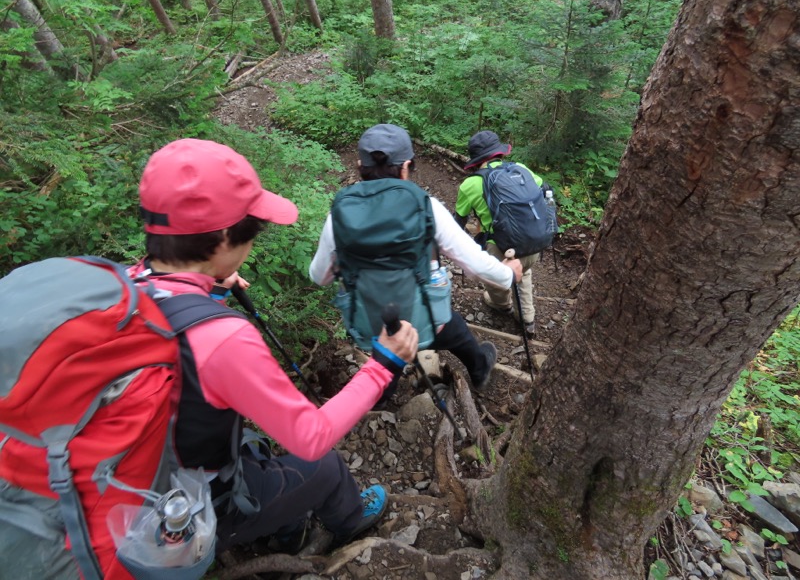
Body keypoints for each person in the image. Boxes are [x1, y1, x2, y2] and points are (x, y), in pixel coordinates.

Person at [132, 138, 419, 554]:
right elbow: (311, 436)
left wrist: (206, 283)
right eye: (252, 230)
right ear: (225, 238)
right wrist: (383, 364)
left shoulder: (120, 289)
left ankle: (287, 524)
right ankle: (350, 520)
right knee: (324, 466)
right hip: (185, 514)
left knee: (254, 447)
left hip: (131, 487)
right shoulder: (222, 339)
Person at [309, 124, 522, 392]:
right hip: (427, 320)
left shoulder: (336, 218)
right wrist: (508, 274)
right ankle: (479, 371)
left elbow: (319, 277)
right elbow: (475, 262)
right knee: (455, 330)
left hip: (372, 326)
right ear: (406, 166)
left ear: (359, 165)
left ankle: (378, 397)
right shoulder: (426, 207)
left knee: (386, 359)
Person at [454, 130, 546, 337]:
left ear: (476, 159)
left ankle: (501, 304)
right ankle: (527, 318)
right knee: (524, 271)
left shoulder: (470, 184)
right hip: (534, 244)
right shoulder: (521, 169)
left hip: (501, 250)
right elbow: (545, 190)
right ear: (499, 152)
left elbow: (458, 221)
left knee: (494, 277)